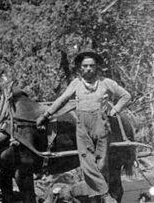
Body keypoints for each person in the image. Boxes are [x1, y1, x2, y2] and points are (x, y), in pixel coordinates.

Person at [36, 52, 131, 203]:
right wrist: (46, 115)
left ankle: (100, 195)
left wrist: (114, 111)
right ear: (80, 68)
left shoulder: (106, 82)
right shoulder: (76, 83)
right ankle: (104, 196)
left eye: (91, 66)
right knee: (87, 163)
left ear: (97, 67)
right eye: (85, 66)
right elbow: (62, 100)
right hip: (82, 125)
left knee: (102, 162)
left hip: (101, 123)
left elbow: (126, 96)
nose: (88, 69)